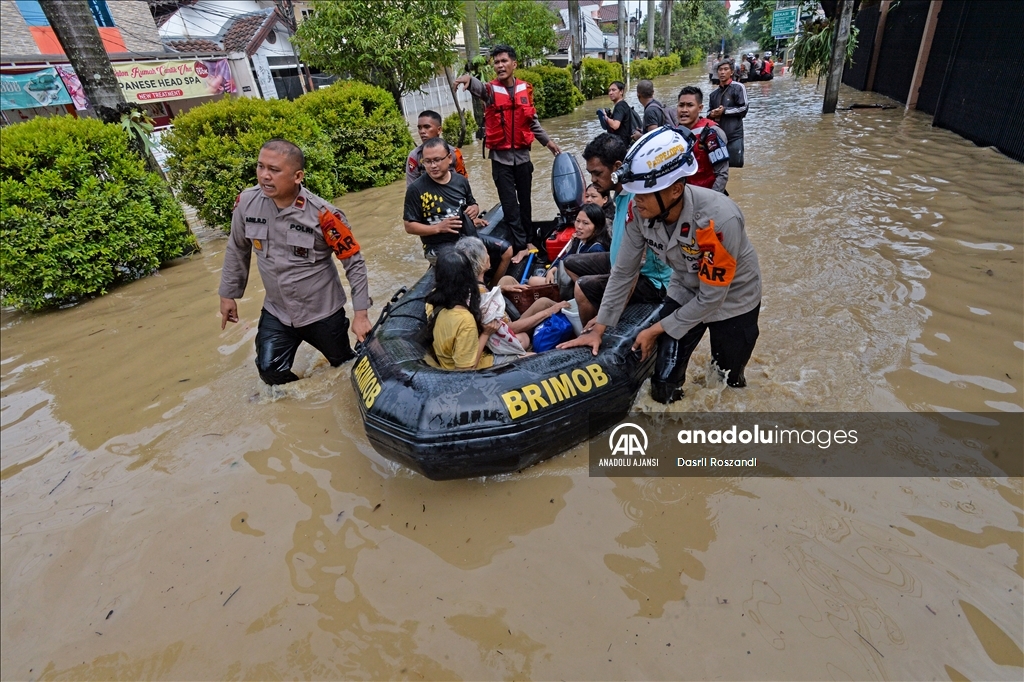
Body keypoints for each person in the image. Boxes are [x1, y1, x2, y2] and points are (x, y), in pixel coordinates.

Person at [558, 127, 761, 404]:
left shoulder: (718, 220)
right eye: (634, 193)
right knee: (664, 384)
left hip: (734, 300)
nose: (635, 200)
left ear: (676, 189)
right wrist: (599, 328)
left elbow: (712, 297)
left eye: (643, 193)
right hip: (685, 288)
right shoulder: (638, 212)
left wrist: (655, 329)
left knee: (727, 380)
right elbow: (623, 272)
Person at [219, 139, 372, 385]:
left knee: (345, 366)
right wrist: (228, 295)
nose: (264, 176)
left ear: (297, 176)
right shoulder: (247, 203)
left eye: (274, 170)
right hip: (277, 311)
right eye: (260, 167)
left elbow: (353, 263)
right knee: (270, 372)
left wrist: (361, 314)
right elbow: (237, 248)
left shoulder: (324, 215)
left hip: (322, 311)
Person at [454, 45, 561, 263]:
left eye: (504, 61)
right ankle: (521, 246)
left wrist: (548, 143)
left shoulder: (524, 90)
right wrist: (467, 78)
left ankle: (530, 240)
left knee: (526, 202)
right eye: (496, 62)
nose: (500, 65)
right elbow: (479, 88)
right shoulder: (491, 91)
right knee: (510, 206)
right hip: (501, 160)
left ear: (514, 64)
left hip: (522, 157)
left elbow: (532, 122)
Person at [563, 133, 671, 325]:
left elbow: (634, 267)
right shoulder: (619, 193)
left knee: (583, 287)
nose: (592, 180)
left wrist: (603, 321)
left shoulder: (638, 201)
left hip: (652, 280)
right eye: (590, 173)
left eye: (597, 173)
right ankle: (601, 302)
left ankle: (595, 334)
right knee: (570, 262)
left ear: (618, 167)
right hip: (620, 262)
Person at [404, 138, 512, 283]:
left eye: (437, 160)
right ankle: (475, 295)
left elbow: (472, 204)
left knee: (506, 250)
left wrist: (474, 209)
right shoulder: (416, 189)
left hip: (467, 237)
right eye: (427, 161)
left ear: (449, 159)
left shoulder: (461, 181)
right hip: (438, 246)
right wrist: (438, 228)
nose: (433, 166)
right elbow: (409, 226)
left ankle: (492, 288)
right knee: (465, 263)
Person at [456, 237, 566, 352]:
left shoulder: (465, 283)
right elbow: (509, 328)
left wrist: (502, 289)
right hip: (500, 336)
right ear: (480, 262)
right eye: (486, 253)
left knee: (506, 280)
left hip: (492, 324)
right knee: (544, 303)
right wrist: (548, 312)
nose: (488, 256)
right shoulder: (483, 297)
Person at [425, 250, 501, 370]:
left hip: (446, 360)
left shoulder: (433, 301)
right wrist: (486, 334)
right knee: (531, 356)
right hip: (472, 369)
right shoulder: (465, 321)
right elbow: (465, 371)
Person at [532, 203, 610, 286]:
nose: (579, 226)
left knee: (533, 282)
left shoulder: (597, 250)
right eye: (578, 221)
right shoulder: (579, 240)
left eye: (585, 223)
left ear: (597, 227)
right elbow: (565, 258)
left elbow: (590, 281)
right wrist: (552, 270)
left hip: (575, 285)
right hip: (566, 277)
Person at [676, 86, 729, 193]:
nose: (684, 110)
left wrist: (711, 200)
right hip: (685, 196)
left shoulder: (711, 132)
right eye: (681, 105)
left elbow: (722, 174)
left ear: (700, 108)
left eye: (690, 105)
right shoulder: (675, 134)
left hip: (707, 196)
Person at [406, 110, 468, 187]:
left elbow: (464, 182)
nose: (422, 131)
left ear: (439, 130)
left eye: (427, 127)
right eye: (419, 128)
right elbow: (411, 189)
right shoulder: (415, 157)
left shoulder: (454, 153)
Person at [708, 61, 748, 168]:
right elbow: (708, 113)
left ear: (732, 72)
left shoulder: (738, 87)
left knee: (736, 168)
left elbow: (744, 108)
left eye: (726, 69)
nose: (722, 72)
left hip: (735, 136)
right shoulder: (713, 95)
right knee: (718, 169)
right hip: (718, 138)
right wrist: (712, 113)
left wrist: (724, 111)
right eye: (720, 70)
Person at [597, 80, 635, 148]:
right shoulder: (624, 104)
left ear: (621, 91)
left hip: (620, 145)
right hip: (625, 143)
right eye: (609, 91)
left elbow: (615, 125)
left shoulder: (620, 106)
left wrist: (605, 117)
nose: (610, 93)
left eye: (613, 90)